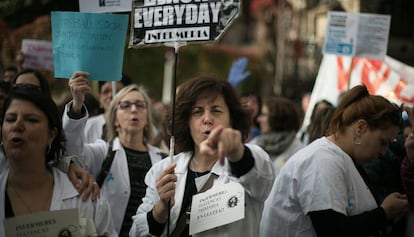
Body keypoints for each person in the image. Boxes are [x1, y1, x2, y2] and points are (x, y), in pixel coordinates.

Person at [129, 75, 275, 237]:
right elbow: (135, 232)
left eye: (216, 110)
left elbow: (260, 177)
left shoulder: (250, 158)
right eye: (197, 111)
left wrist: (237, 153)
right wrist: (160, 210)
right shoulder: (164, 170)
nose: (207, 119)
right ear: (186, 121)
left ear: (231, 119)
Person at [260, 84, 409, 237]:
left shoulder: (342, 159)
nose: (384, 152)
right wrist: (384, 213)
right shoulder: (322, 160)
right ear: (360, 128)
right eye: (382, 142)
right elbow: (333, 230)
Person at [0, 86, 116, 236]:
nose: (17, 126)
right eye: (10, 119)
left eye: (31, 120)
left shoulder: (86, 197)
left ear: (51, 134)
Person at [62, 71, 165, 236]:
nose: (133, 110)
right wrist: (77, 105)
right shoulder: (102, 153)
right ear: (114, 118)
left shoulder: (163, 160)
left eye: (140, 105)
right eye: (125, 105)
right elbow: (70, 153)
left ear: (147, 117)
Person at [250, 96, 304, 176]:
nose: (258, 119)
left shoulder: (299, 151)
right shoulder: (254, 145)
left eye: (264, 115)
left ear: (278, 118)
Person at [83, 73, 131, 143]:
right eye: (106, 92)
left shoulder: (136, 125)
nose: (111, 95)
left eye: (117, 92)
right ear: (99, 97)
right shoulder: (88, 126)